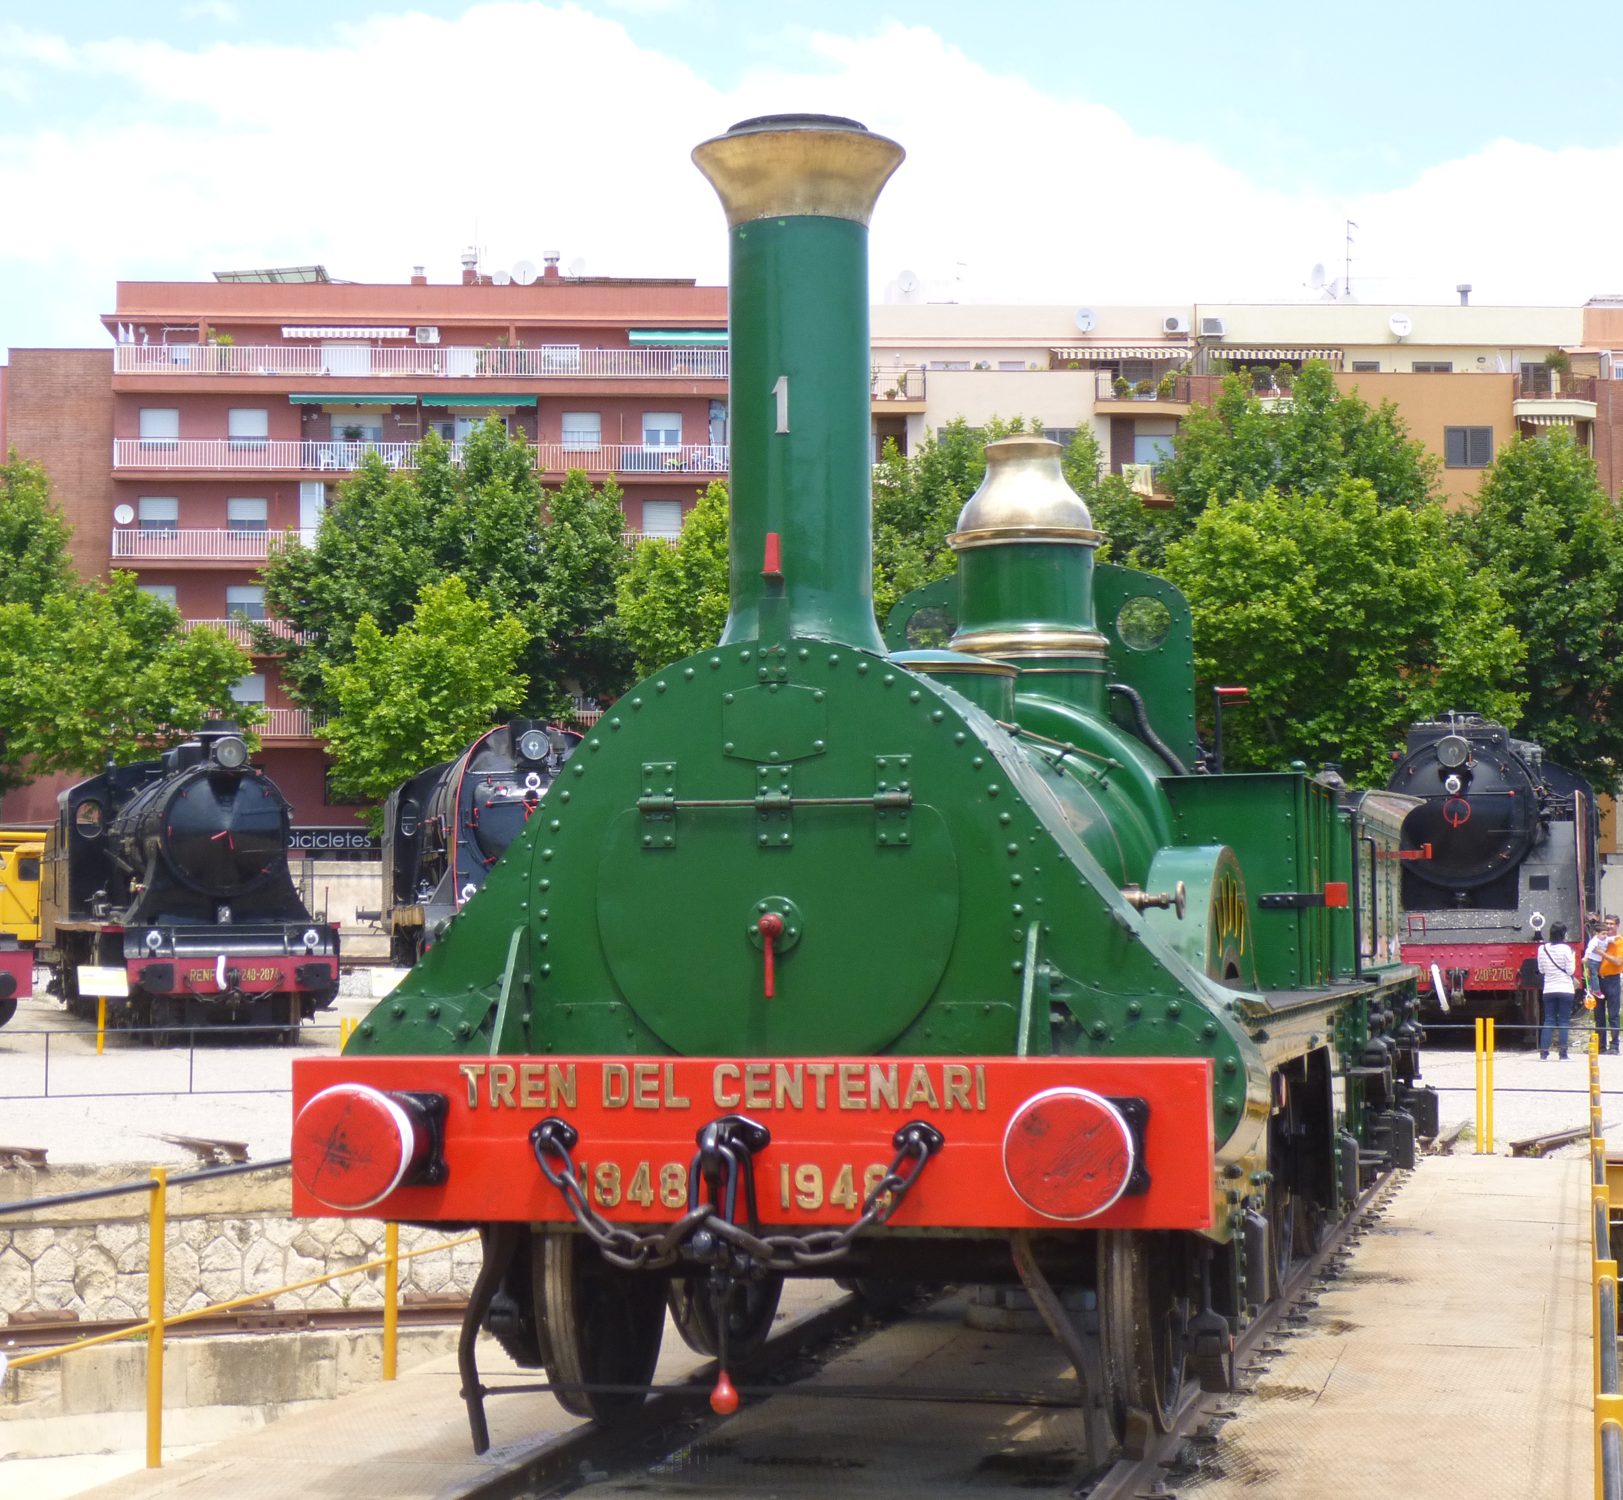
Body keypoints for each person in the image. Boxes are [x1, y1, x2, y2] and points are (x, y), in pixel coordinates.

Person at [1537, 921, 1580, 1060]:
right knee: (1563, 1021)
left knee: (1548, 1020)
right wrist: (1572, 957)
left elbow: (1541, 970)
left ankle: (1544, 1053)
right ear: (1563, 934)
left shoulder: (1542, 949)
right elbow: (1570, 971)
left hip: (1549, 989)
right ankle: (1563, 1054)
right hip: (1565, 989)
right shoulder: (1566, 949)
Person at [1600, 916, 1623, 1056]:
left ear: (1617, 925)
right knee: (1599, 1015)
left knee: (1613, 1015)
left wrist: (1602, 953)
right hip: (1599, 980)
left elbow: (1618, 961)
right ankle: (1601, 1046)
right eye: (1606, 923)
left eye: (1611, 924)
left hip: (1612, 980)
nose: (1608, 926)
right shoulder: (1600, 939)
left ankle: (1614, 1046)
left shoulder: (1619, 942)